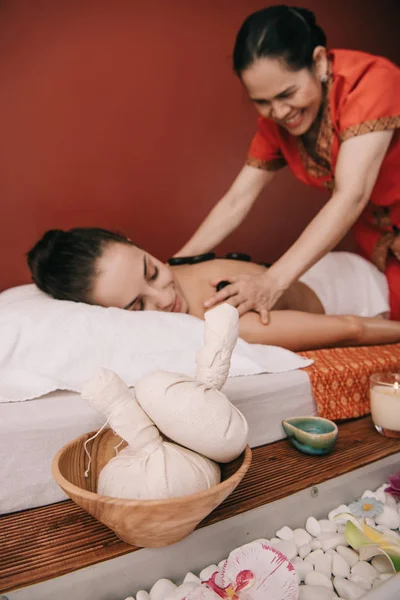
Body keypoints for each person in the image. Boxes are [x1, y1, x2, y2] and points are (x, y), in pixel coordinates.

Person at [175, 5, 400, 323]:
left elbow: (351, 195)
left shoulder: (369, 82)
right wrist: (176, 265)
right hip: (382, 247)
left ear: (319, 61)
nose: (278, 112)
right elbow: (238, 199)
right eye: (261, 101)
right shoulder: (276, 121)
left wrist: (272, 281)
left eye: (287, 93)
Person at [26, 227, 400, 352]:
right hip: (332, 273)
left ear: (132, 242)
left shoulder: (214, 308)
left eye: (152, 270)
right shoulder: (215, 318)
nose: (164, 297)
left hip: (366, 289)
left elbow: (355, 328)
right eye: (137, 306)